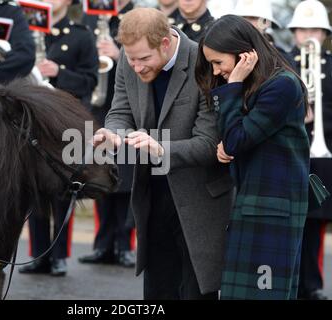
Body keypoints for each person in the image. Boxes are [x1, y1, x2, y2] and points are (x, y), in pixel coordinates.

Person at [93, 7, 234, 300]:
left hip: (200, 200)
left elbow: (209, 142)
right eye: (130, 58)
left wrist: (160, 148)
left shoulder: (204, 60)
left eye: (144, 59)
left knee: (196, 293)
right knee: (157, 292)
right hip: (153, 195)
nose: (136, 66)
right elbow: (119, 112)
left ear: (166, 43)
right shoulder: (130, 59)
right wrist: (114, 135)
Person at [196, 14, 310, 299]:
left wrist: (233, 85)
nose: (217, 70)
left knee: (264, 295)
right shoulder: (258, 84)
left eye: (218, 62)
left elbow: (235, 140)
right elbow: (234, 138)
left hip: (273, 210)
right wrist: (229, 142)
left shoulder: (282, 85)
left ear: (244, 54)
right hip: (255, 203)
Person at [19, 0, 98, 277]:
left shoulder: (81, 35)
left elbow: (90, 81)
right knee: (36, 190)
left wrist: (59, 73)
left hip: (66, 125)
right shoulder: (28, 32)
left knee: (64, 191)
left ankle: (59, 255)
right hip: (35, 123)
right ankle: (39, 253)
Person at [78, 0, 135, 268]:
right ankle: (102, 245)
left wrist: (119, 52)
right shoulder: (91, 16)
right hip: (98, 107)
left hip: (128, 108)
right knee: (101, 176)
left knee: (126, 180)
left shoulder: (137, 16)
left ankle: (124, 246)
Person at [287, 0, 332, 300]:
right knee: (290, 221)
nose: (308, 35)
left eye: (315, 29)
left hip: (323, 153)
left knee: (315, 222)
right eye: (302, 29)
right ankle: (288, 283)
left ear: (325, 33)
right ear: (293, 33)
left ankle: (312, 285)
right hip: (289, 153)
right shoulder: (282, 62)